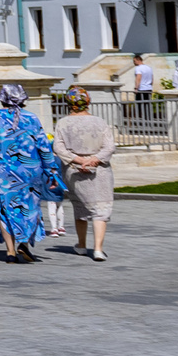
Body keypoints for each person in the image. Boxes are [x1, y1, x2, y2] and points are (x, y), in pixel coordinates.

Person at [0, 84, 60, 262]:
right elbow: (44, 147)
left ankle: (10, 251)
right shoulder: (31, 118)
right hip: (30, 171)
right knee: (30, 207)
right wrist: (51, 171)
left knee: (4, 208)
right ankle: (23, 243)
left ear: (2, 99)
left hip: (0, 172)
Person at [53, 86, 116, 262]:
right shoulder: (100, 122)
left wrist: (78, 160)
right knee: (101, 209)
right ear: (87, 101)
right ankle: (98, 249)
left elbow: (58, 147)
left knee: (80, 206)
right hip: (100, 170)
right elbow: (109, 146)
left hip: (74, 169)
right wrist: (95, 159)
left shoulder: (63, 123)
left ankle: (81, 244)